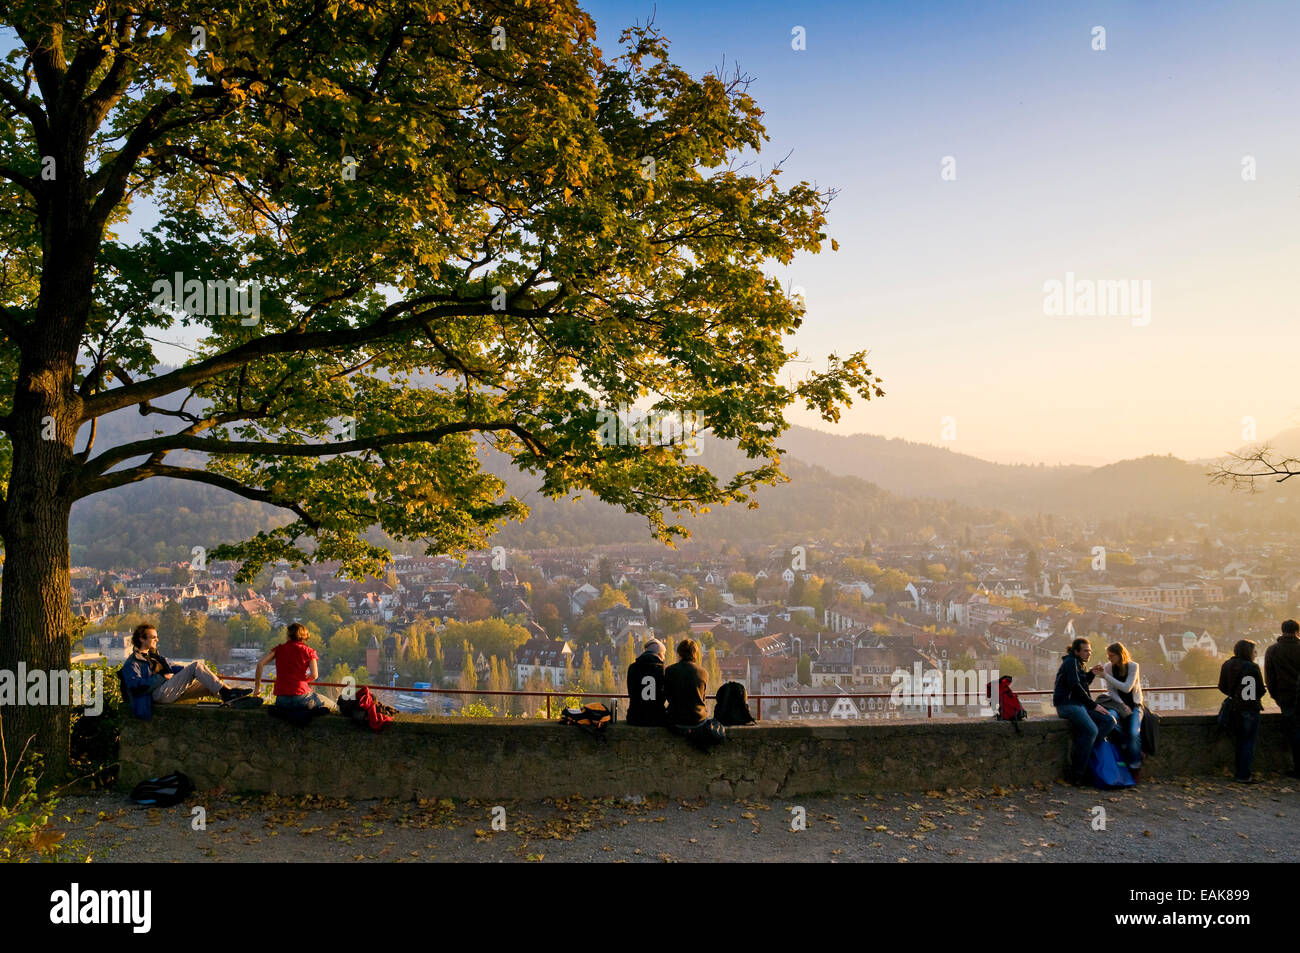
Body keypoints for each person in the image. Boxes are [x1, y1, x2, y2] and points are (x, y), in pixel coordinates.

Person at [120, 623, 252, 720]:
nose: (157, 640)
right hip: (156, 695)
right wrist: (162, 677)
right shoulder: (132, 663)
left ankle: (237, 700)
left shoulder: (154, 656)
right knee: (196, 666)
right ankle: (229, 694)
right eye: (153, 637)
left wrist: (188, 673)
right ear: (142, 639)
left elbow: (173, 668)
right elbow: (136, 687)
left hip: (168, 689)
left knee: (209, 685)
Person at [1053, 637, 1119, 785]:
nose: (1088, 653)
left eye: (1090, 651)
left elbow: (1082, 684)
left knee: (1109, 720)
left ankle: (1084, 747)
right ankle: (1076, 775)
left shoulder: (1079, 664)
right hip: (1067, 705)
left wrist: (1091, 674)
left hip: (1079, 705)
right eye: (1085, 651)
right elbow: (1075, 687)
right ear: (1076, 651)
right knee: (1091, 731)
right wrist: (1093, 705)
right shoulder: (1070, 663)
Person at [254, 622, 335, 711]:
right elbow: (314, 675)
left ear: (289, 635)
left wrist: (257, 687)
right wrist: (303, 681)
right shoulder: (309, 651)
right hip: (301, 698)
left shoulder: (279, 649)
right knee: (333, 705)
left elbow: (260, 664)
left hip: (281, 700)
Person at [1219, 639, 1268, 783]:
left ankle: (1239, 772)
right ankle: (1244, 774)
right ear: (1248, 652)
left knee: (1239, 740)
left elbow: (1222, 686)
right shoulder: (1252, 667)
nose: (1255, 654)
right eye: (1254, 651)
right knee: (1248, 742)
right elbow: (1258, 690)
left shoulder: (1227, 665)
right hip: (1249, 709)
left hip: (1233, 708)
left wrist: (1234, 695)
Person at [1263, 619, 1300, 779]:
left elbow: (1269, 677)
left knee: (1294, 732)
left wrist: (1275, 696)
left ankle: (1297, 767)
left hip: (1285, 696)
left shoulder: (1273, 650)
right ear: (1297, 631)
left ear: (1282, 630)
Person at [1101, 641, 1143, 780]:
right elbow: (1111, 691)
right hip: (1117, 705)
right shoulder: (1108, 667)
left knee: (1133, 733)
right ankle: (1134, 751)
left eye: (1111, 656)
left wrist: (1105, 676)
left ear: (1120, 655)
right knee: (1110, 721)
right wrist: (1122, 705)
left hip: (1135, 705)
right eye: (1108, 657)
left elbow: (1127, 687)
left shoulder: (1133, 667)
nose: (1109, 659)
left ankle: (1135, 765)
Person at [664, 637, 708, 727]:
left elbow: (667, 695)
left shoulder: (670, 670)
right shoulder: (703, 672)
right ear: (695, 653)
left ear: (679, 653)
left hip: (675, 718)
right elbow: (702, 697)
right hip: (698, 719)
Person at [626, 638, 667, 726]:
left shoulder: (633, 668)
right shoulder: (663, 670)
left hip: (635, 718)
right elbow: (665, 695)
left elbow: (631, 692)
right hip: (658, 718)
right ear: (660, 654)